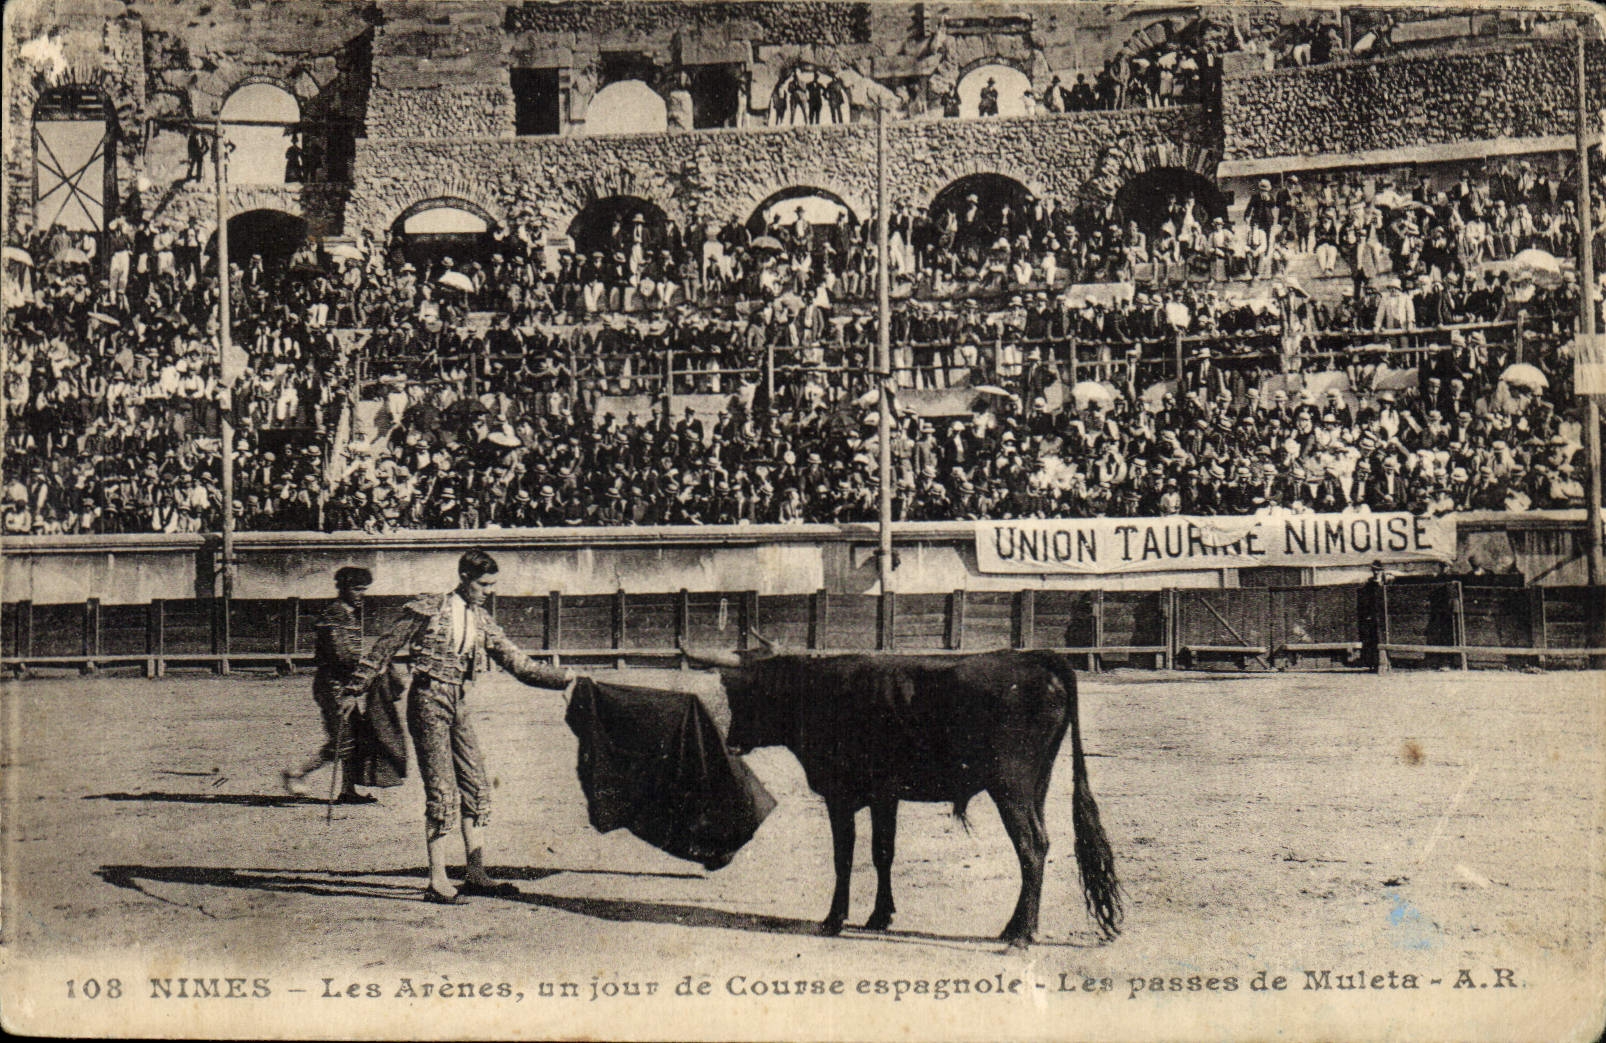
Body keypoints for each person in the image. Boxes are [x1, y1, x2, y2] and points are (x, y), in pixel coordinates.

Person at [341, 549, 577, 904]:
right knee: (442, 792)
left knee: (477, 786)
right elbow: (385, 646)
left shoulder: (480, 619)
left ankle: (476, 873)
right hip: (427, 701)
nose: (489, 591)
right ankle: (437, 880)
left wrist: (567, 680)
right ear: (465, 577)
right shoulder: (430, 607)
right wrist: (353, 688)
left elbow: (519, 664)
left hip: (457, 703)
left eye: (492, 584)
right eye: (484, 584)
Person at [282, 566, 379, 803]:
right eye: (357, 589)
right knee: (343, 740)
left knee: (352, 735)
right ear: (343, 588)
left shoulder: (345, 613)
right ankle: (296, 772)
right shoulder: (336, 614)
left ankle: (347, 790)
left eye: (364, 589)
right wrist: (367, 668)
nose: (361, 594)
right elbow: (341, 656)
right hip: (334, 685)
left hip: (342, 684)